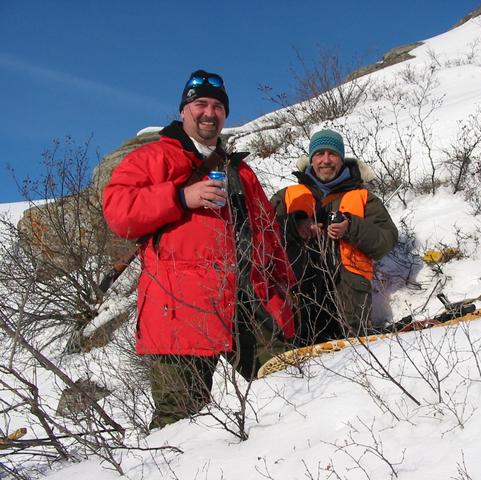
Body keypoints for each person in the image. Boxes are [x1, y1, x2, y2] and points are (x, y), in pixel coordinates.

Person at [102, 70, 296, 429]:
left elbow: (269, 239)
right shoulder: (153, 158)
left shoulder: (241, 171)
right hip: (179, 309)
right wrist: (179, 197)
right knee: (179, 425)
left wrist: (283, 295)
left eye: (218, 106)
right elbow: (118, 213)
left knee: (289, 398)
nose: (209, 112)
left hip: (248, 306)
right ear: (183, 111)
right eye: (200, 104)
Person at [271, 129, 398, 346]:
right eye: (319, 154)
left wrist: (351, 226)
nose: (326, 160)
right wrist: (293, 227)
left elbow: (386, 241)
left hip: (350, 309)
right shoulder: (287, 196)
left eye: (332, 154)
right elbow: (260, 237)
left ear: (342, 158)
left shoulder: (364, 197)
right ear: (311, 159)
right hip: (297, 309)